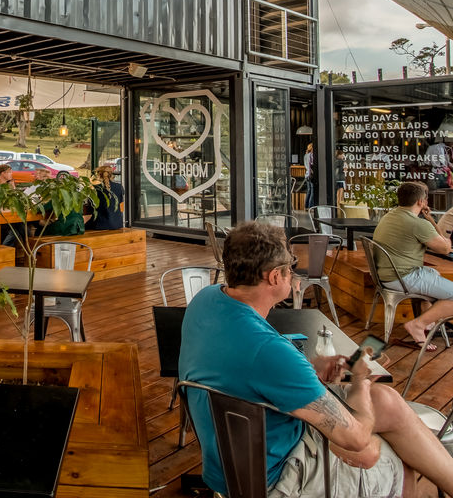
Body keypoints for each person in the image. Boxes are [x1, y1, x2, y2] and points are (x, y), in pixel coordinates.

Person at [179, 220, 453, 498]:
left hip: (228, 460)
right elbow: (356, 437)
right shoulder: (270, 352)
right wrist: (359, 382)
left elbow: (251, 367)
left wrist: (309, 369)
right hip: (273, 478)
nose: (294, 273)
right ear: (275, 277)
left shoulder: (206, 300)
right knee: (396, 457)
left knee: (387, 401)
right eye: (291, 266)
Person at [372, 181, 453, 345]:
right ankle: (418, 324)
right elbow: (446, 248)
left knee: (433, 274)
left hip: (387, 275)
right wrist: (430, 219)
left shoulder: (390, 215)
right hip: (403, 277)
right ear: (421, 202)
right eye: (426, 199)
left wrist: (427, 217)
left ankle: (428, 323)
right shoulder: (418, 224)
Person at [88, 164, 124, 230]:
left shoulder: (95, 188)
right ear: (111, 175)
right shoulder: (119, 187)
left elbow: (90, 206)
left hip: (100, 224)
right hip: (117, 224)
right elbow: (121, 203)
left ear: (98, 175)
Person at [303, 142, 314, 210]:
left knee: (309, 190)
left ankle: (306, 206)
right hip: (311, 175)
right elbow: (312, 165)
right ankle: (310, 207)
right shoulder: (311, 155)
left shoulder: (305, 155)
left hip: (307, 174)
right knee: (313, 191)